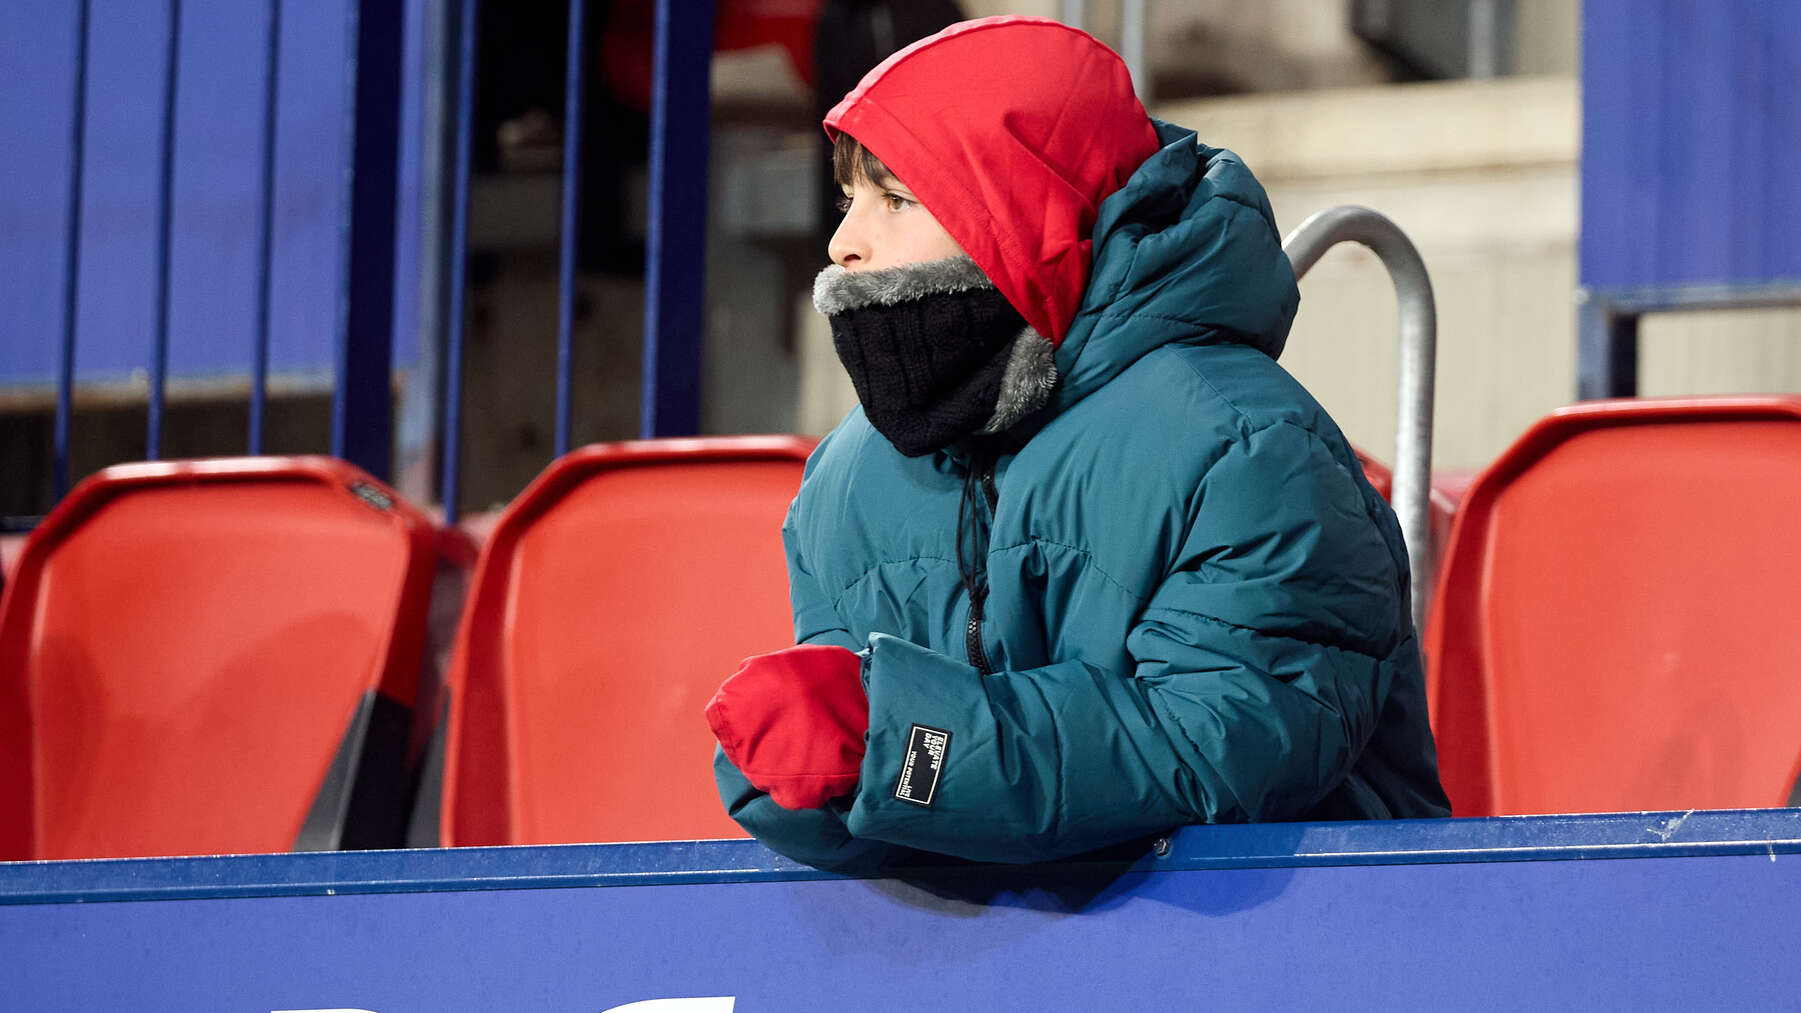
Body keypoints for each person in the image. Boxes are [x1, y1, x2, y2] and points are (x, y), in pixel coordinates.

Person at [705, 16, 1450, 874]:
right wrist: (798, 776)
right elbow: (872, 785)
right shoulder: (848, 477)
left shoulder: (1248, 449)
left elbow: (1222, 748)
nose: (843, 244)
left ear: (1027, 214)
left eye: (898, 199)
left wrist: (903, 744)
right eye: (849, 201)